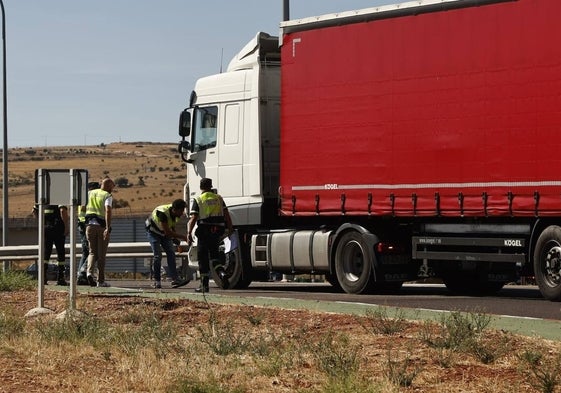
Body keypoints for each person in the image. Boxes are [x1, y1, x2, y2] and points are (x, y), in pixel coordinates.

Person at [187, 178, 233, 293]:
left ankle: (204, 285)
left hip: (204, 231)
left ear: (200, 187)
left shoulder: (199, 199)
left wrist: (188, 232)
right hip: (217, 231)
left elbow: (194, 218)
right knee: (214, 257)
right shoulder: (218, 198)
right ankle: (222, 273)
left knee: (203, 259)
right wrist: (230, 228)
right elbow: (227, 215)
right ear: (211, 186)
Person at [146, 199, 191, 289]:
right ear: (175, 209)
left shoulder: (175, 215)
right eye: (181, 210)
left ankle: (175, 280)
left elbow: (171, 227)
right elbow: (167, 232)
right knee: (157, 256)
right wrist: (183, 237)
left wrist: (176, 241)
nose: (182, 213)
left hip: (164, 233)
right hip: (153, 232)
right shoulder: (163, 213)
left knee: (171, 254)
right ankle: (157, 281)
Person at [85, 177, 115, 287]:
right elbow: (108, 210)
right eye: (112, 186)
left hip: (89, 226)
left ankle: (89, 273)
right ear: (108, 186)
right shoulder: (107, 195)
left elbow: (83, 207)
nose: (113, 188)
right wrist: (108, 227)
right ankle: (100, 281)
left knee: (92, 252)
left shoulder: (90, 193)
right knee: (102, 255)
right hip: (101, 226)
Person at [32, 203, 70, 285]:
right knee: (60, 253)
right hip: (58, 229)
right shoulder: (58, 196)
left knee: (46, 253)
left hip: (46, 229)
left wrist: (41, 223)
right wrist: (66, 226)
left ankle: (43, 277)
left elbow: (34, 211)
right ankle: (60, 278)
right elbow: (63, 211)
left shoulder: (43, 197)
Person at [77, 181, 100, 285]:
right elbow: (83, 209)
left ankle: (82, 275)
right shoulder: (87, 198)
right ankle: (82, 273)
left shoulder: (84, 197)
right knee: (91, 251)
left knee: (86, 251)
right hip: (85, 224)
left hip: (83, 224)